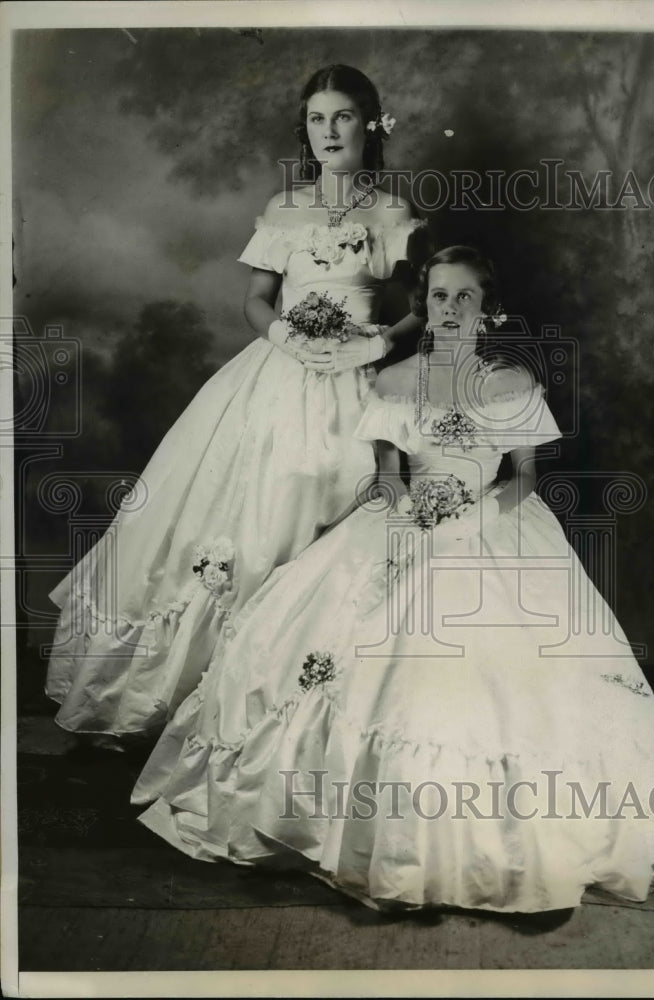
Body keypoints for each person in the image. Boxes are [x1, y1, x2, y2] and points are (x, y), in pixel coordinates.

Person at [131, 245, 654, 914]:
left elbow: (521, 482)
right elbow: (388, 481)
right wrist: (413, 517)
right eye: (436, 296)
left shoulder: (512, 386)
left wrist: (469, 521)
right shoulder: (392, 384)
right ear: (421, 307)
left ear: (489, 311)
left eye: (463, 297)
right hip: (403, 524)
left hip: (496, 524)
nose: (449, 309)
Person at [45, 64, 425, 741]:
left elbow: (415, 313)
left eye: (341, 116)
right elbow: (253, 299)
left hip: (357, 390)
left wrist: (372, 349)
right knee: (250, 526)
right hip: (275, 379)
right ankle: (198, 705)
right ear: (304, 131)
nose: (328, 131)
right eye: (315, 119)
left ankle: (292, 715)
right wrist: (284, 334)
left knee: (336, 532)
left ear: (369, 123)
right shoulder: (284, 210)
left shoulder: (391, 213)